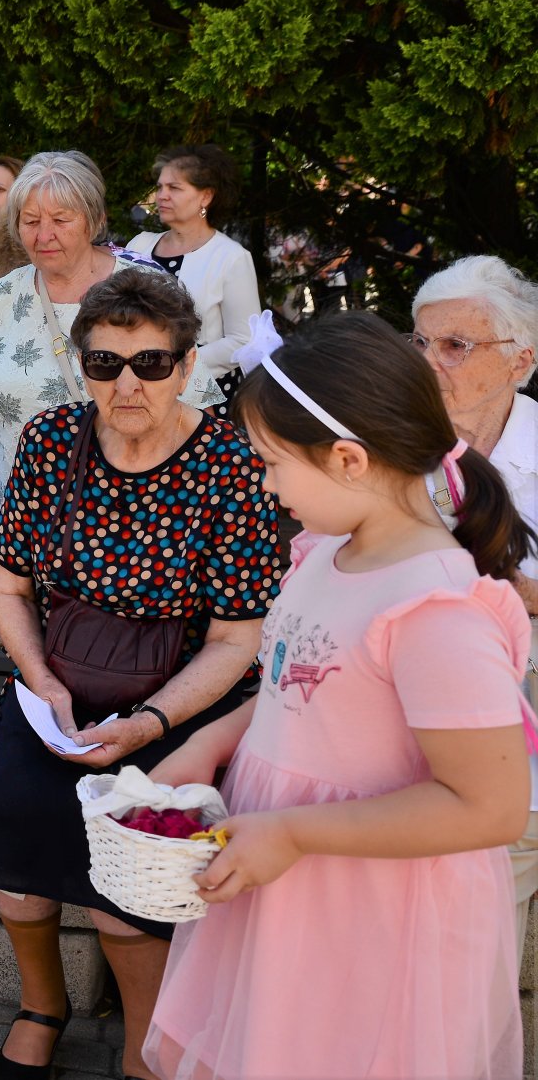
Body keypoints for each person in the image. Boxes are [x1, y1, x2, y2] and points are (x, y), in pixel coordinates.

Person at [146, 312, 532, 1080]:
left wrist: (293, 835)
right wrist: (209, 743)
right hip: (288, 882)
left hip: (371, 911)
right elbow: (301, 678)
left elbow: (488, 806)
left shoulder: (435, 610)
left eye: (271, 464)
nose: (264, 486)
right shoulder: (325, 553)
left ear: (348, 459)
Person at [0, 268, 281, 1080]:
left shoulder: (230, 462)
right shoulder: (51, 440)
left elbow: (235, 638)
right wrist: (39, 682)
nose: (127, 384)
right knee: (20, 883)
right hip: (60, 688)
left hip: (179, 699)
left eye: (150, 364)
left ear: (186, 367)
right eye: (106, 365)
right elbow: (9, 587)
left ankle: (148, 1048)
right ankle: (43, 1006)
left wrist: (149, 724)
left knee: (129, 910)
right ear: (84, 368)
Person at [0, 152, 203, 579]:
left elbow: (195, 412)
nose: (44, 235)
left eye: (61, 219)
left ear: (94, 220)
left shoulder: (150, 293)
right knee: (25, 644)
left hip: (138, 534)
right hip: (20, 536)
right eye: (30, 220)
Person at [409, 254, 538, 956]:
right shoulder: (396, 446)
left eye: (454, 346)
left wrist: (508, 593)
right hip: (417, 727)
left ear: (520, 361)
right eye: (421, 343)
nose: (430, 363)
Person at [123, 144, 260, 396]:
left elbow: (243, 340)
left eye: (174, 188)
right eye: (160, 187)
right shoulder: (140, 245)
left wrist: (174, 365)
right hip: (139, 387)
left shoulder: (231, 257)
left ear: (205, 196)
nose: (162, 195)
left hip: (203, 393)